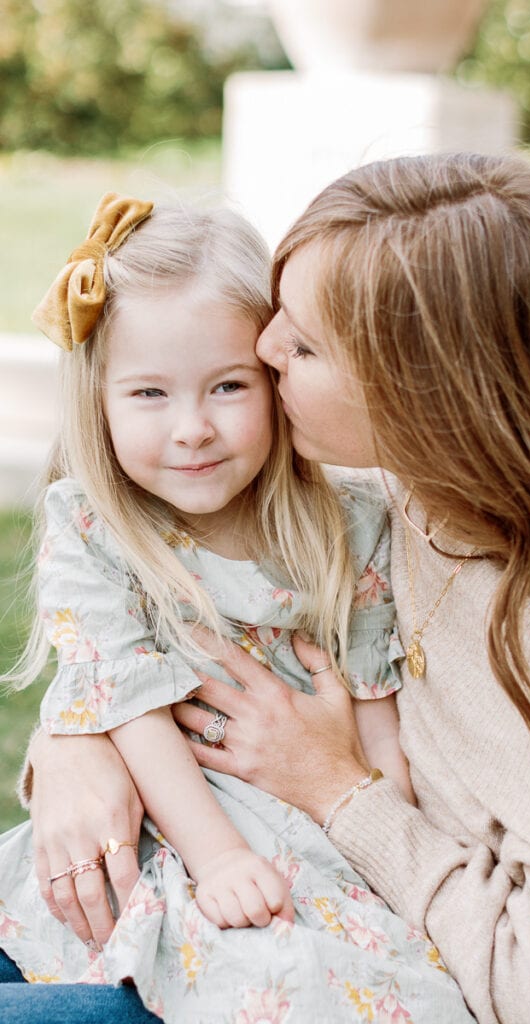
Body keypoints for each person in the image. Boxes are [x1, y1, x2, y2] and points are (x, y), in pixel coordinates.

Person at [7, 151, 530, 1024]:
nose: (264, 346)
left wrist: (338, 791)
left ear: (423, 390)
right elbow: (125, 647)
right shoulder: (406, 497)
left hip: (350, 951)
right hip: (178, 877)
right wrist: (76, 743)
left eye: (303, 344)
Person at [0, 193, 473, 1023]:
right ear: (99, 399)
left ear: (275, 379)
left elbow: (374, 705)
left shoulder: (349, 521)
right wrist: (215, 857)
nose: (192, 430)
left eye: (227, 386)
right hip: (171, 826)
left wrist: (383, 841)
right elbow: (129, 705)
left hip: (316, 834)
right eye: (149, 394)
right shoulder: (93, 525)